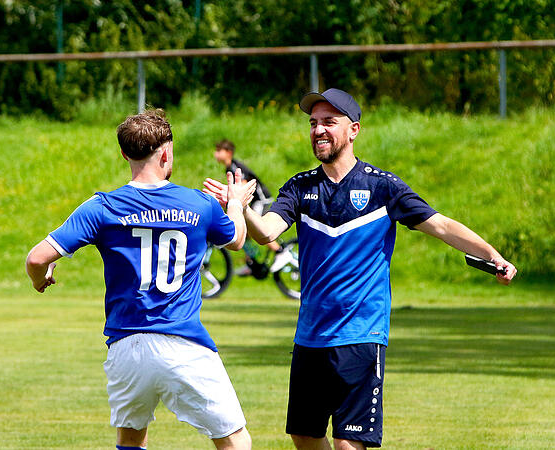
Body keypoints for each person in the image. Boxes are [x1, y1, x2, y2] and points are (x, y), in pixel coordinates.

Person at [204, 88, 516, 450]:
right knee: (304, 437)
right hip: (310, 337)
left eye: (328, 122)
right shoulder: (300, 187)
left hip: (361, 336)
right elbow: (267, 232)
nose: (318, 130)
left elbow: (442, 226)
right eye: (313, 123)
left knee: (348, 444)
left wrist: (493, 255)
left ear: (353, 130)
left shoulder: (382, 187)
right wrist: (240, 208)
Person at [26, 109, 255, 450]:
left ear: (124, 154)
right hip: (182, 342)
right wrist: (235, 203)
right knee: (235, 441)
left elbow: (36, 258)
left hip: (126, 347)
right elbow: (236, 240)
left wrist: (39, 279)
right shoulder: (199, 204)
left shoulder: (102, 207)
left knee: (132, 439)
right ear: (166, 153)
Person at [212, 139, 294, 275]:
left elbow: (242, 187)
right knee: (246, 233)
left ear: (228, 152)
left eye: (218, 151)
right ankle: (251, 262)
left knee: (256, 227)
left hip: (260, 200)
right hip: (252, 202)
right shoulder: (229, 167)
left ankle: (280, 253)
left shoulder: (235, 167)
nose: (215, 154)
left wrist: (235, 206)